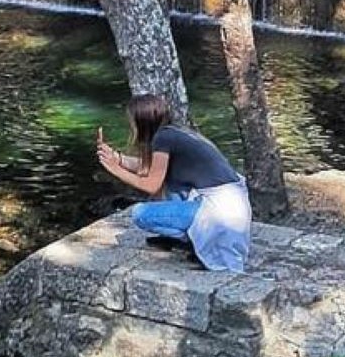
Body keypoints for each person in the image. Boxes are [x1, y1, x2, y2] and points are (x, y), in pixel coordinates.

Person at [96, 93, 252, 273]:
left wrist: (115, 169)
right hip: (231, 201)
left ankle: (190, 239)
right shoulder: (175, 133)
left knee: (140, 213)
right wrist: (117, 158)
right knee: (171, 188)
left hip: (219, 209)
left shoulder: (163, 139)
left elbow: (151, 185)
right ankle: (187, 238)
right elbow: (150, 168)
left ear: (141, 122)